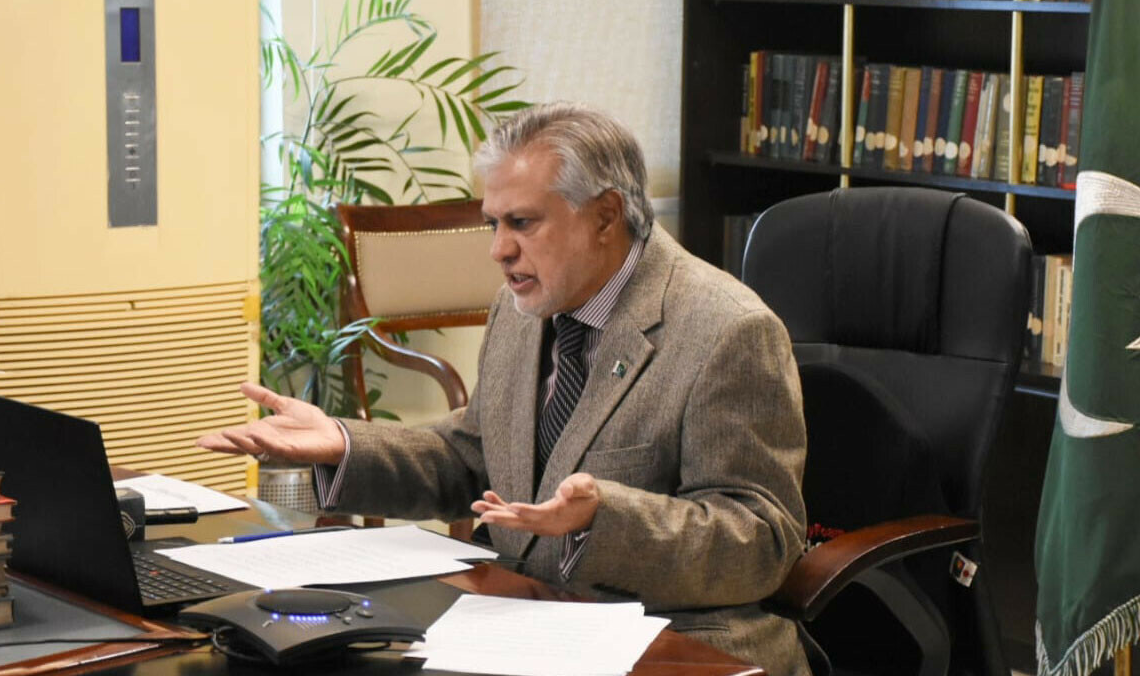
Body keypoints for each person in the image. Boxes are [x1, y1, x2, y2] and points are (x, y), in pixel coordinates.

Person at [199, 102, 810, 676]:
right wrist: (342, 442)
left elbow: (763, 541)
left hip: (673, 640)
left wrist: (604, 519)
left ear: (604, 215)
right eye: (492, 222)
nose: (498, 250)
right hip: (519, 618)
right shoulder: (522, 308)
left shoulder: (727, 330)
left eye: (523, 223)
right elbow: (473, 455)